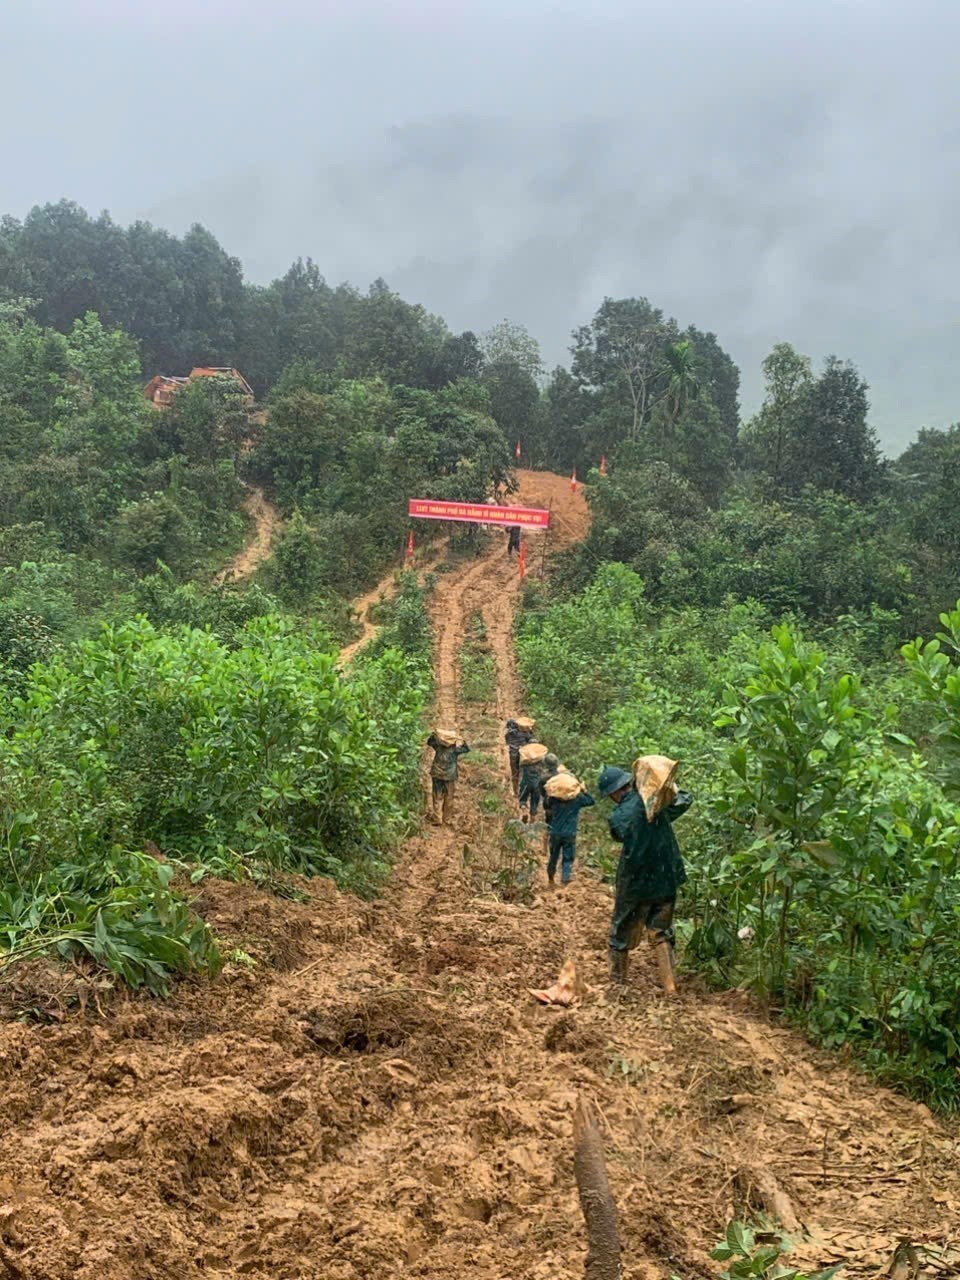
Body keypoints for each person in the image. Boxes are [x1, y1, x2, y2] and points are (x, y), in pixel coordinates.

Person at [597, 763, 693, 993]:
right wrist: (662, 789)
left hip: (636, 883)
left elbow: (618, 833)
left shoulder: (620, 815)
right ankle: (670, 988)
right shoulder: (657, 802)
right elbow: (685, 799)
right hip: (666, 877)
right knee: (662, 932)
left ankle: (618, 987)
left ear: (613, 793)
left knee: (620, 933)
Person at [543, 777, 595, 886]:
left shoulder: (553, 799)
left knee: (553, 856)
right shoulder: (578, 799)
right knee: (568, 858)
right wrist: (584, 790)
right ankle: (565, 878)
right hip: (569, 833)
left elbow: (545, 805)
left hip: (555, 832)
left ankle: (550, 879)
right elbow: (591, 801)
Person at [426, 728, 470, 825]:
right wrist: (462, 741)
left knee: (437, 796)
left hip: (437, 774)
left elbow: (429, 742)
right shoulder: (454, 750)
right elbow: (467, 749)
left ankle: (437, 818)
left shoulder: (438, 746)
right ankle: (447, 819)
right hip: (449, 776)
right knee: (449, 797)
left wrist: (434, 735)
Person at [504, 717, 534, 795]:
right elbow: (531, 740)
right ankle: (524, 792)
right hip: (523, 755)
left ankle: (515, 791)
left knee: (515, 773)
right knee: (524, 773)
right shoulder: (525, 733)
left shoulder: (508, 734)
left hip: (513, 754)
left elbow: (507, 742)